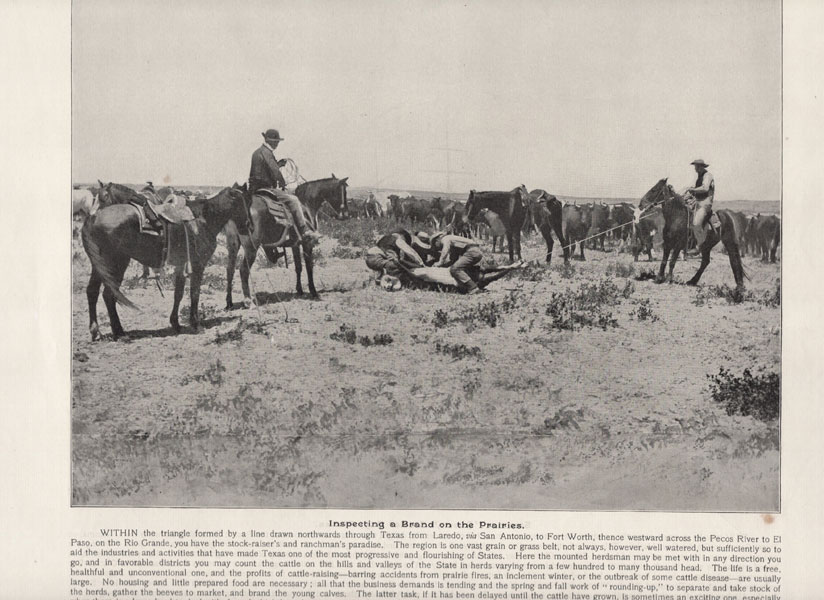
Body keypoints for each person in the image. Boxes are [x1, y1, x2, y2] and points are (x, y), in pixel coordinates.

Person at [249, 128, 321, 246]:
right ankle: (305, 231)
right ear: (271, 141)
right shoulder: (267, 152)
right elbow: (275, 172)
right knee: (294, 200)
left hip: (254, 189)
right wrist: (282, 183)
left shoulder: (257, 152)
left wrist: (279, 164)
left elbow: (265, 169)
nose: (277, 144)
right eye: (276, 141)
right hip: (266, 188)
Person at [684, 159, 715, 248]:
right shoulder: (699, 176)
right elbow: (696, 189)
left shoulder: (708, 176)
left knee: (696, 223)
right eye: (695, 166)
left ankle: (701, 246)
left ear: (701, 167)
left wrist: (692, 190)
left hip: (705, 203)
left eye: (696, 166)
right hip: (697, 202)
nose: (695, 168)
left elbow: (705, 188)